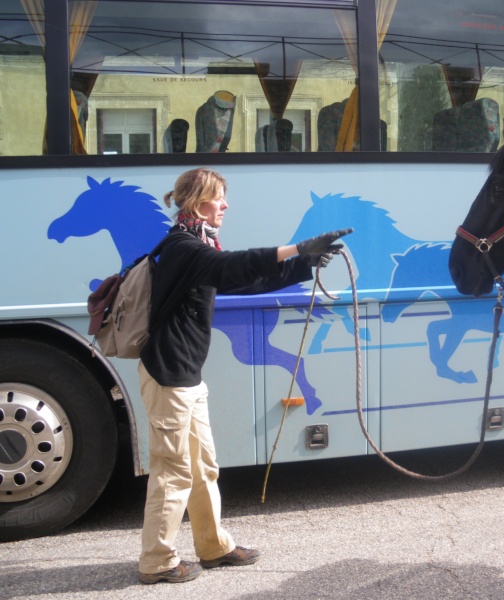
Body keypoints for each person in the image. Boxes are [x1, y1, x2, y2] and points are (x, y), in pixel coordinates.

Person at [137, 167, 351, 584]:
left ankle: (213, 546)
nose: (226, 205)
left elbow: (240, 282)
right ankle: (157, 561)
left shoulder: (198, 246)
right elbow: (235, 265)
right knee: (173, 470)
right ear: (199, 201)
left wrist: (302, 265)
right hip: (169, 374)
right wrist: (296, 249)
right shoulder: (183, 247)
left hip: (185, 375)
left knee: (203, 467)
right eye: (219, 198)